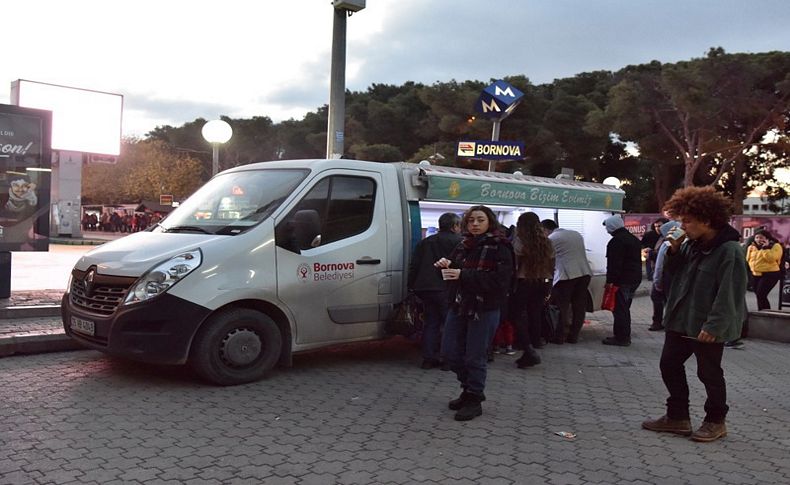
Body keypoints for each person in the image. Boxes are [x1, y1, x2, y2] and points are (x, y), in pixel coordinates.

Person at [642, 186, 747, 443]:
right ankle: (677, 417)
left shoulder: (729, 251)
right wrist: (675, 251)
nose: (683, 225)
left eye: (687, 220)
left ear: (707, 220)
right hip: (681, 320)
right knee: (669, 364)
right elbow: (673, 275)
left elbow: (730, 294)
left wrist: (715, 326)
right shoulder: (691, 244)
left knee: (709, 374)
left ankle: (715, 421)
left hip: (706, 325)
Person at [436, 205, 514, 421]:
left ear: (490, 221)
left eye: (480, 220)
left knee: (475, 356)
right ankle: (468, 388)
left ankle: (474, 398)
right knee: (449, 351)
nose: (475, 224)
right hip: (459, 304)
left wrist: (463, 274)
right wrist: (445, 265)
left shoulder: (500, 247)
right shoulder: (463, 245)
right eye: (471, 221)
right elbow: (455, 271)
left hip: (484, 308)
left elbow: (500, 281)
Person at [407, 212, 462, 369]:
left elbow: (414, 265)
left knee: (430, 323)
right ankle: (447, 359)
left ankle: (428, 359)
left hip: (425, 288)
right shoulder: (460, 242)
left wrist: (411, 285)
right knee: (449, 323)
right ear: (454, 226)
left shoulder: (426, 242)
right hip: (446, 288)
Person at [510, 212, 554, 368]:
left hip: (524, 281)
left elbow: (515, 264)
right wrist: (549, 284)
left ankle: (526, 347)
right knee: (535, 312)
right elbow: (552, 264)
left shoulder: (521, 241)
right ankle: (535, 341)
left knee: (517, 314)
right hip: (542, 281)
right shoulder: (546, 242)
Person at [540, 219, 592, 344]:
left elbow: (546, 259)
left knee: (562, 307)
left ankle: (559, 337)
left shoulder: (552, 238)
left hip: (567, 276)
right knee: (579, 306)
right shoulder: (575, 234)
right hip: (584, 273)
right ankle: (574, 336)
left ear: (545, 229)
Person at [601, 214, 642, 346]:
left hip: (622, 280)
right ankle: (623, 335)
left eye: (607, 227)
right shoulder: (633, 239)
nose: (606, 230)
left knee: (620, 309)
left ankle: (621, 337)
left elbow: (614, 264)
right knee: (625, 307)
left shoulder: (616, 242)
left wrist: (610, 281)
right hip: (634, 278)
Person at [648, 220, 681, 331]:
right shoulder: (682, 242)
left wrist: (657, 281)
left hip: (665, 277)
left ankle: (662, 322)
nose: (657, 229)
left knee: (660, 299)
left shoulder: (667, 244)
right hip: (673, 278)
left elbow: (660, 265)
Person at [746, 229, 783, 310]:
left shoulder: (775, 246)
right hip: (755, 274)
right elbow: (748, 259)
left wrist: (765, 248)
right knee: (759, 296)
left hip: (770, 274)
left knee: (761, 294)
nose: (759, 239)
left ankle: (766, 313)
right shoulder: (751, 247)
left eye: (761, 237)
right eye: (757, 237)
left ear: (767, 238)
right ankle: (762, 312)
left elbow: (771, 258)